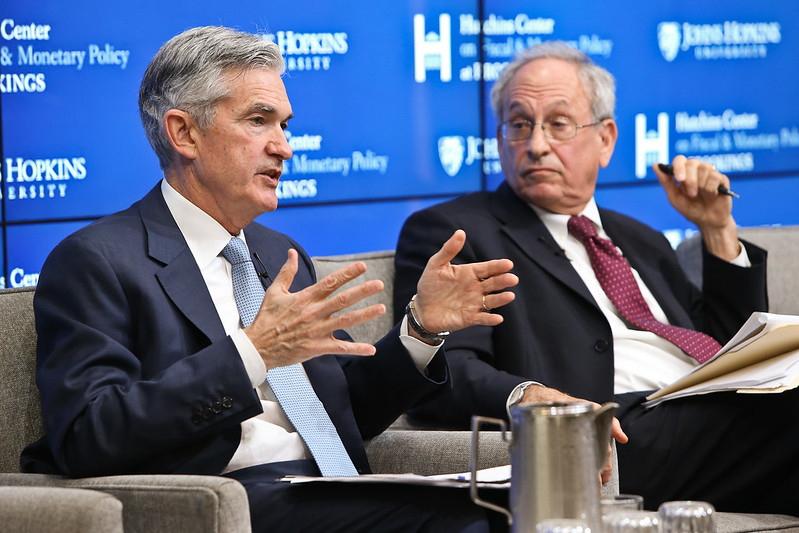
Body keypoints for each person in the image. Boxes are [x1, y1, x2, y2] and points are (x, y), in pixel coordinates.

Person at [21, 26, 520, 532]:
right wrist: (253, 352)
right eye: (259, 121)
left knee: (525, 501)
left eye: (284, 125)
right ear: (184, 133)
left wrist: (421, 329)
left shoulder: (277, 252)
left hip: (331, 491)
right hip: (225, 501)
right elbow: (89, 434)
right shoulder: (97, 261)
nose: (283, 147)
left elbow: (345, 415)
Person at [393, 41, 799, 516]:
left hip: (714, 418)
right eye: (519, 124)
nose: (536, 144)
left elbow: (731, 353)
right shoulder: (456, 232)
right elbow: (442, 369)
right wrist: (532, 398)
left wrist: (717, 230)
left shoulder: (641, 239)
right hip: (609, 428)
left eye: (558, 124)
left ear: (605, 139)